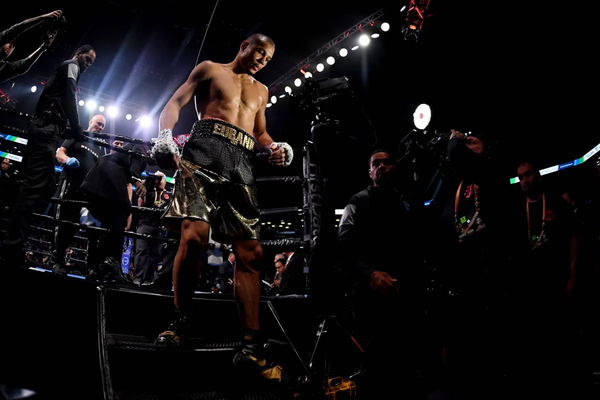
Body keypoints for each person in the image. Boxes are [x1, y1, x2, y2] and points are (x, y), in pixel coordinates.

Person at [150, 33, 293, 382]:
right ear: (244, 45)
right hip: (203, 150)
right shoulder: (210, 69)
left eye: (268, 58)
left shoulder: (262, 91)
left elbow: (260, 133)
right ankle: (180, 321)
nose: (262, 59)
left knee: (250, 252)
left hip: (242, 163)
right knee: (194, 238)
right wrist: (165, 134)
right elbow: (175, 102)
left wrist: (278, 147)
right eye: (259, 51)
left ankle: (251, 344)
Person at [337, 149, 435, 399]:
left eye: (387, 162)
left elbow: (417, 246)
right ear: (370, 172)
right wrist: (369, 274)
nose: (381, 166)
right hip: (371, 296)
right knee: (376, 362)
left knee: (405, 364)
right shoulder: (356, 202)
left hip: (405, 295)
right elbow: (344, 248)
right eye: (376, 163)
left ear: (395, 168)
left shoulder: (406, 202)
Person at [0, 44, 96, 266]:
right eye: (87, 59)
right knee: (34, 187)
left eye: (91, 63)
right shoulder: (72, 65)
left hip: (47, 130)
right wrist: (76, 125)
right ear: (77, 54)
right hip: (47, 129)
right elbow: (70, 93)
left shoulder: (70, 68)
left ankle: (12, 240)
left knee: (40, 185)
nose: (87, 65)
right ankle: (12, 248)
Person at [80, 139, 147, 283]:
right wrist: (137, 180)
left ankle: (102, 265)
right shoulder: (141, 147)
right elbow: (135, 162)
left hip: (99, 182)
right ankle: (102, 261)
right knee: (123, 211)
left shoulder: (139, 156)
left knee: (112, 223)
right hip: (109, 172)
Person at [52, 114, 106, 274]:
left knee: (79, 227)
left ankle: (90, 266)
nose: (100, 127)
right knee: (62, 223)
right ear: (90, 122)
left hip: (86, 192)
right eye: (98, 123)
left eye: (103, 125)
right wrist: (67, 160)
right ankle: (56, 261)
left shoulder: (100, 147)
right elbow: (60, 152)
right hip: (69, 183)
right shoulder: (79, 136)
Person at [131, 171, 171, 286]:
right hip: (145, 225)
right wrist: (146, 185)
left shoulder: (168, 194)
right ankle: (137, 278)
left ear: (165, 180)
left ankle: (148, 279)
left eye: (160, 178)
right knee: (141, 251)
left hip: (159, 228)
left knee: (155, 254)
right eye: (156, 178)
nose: (158, 181)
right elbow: (140, 206)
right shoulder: (147, 190)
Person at [0, 10, 62, 83]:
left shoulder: (3, 69)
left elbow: (23, 66)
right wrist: (43, 17)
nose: (10, 47)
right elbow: (17, 28)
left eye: (13, 47)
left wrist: (43, 48)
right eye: (10, 43)